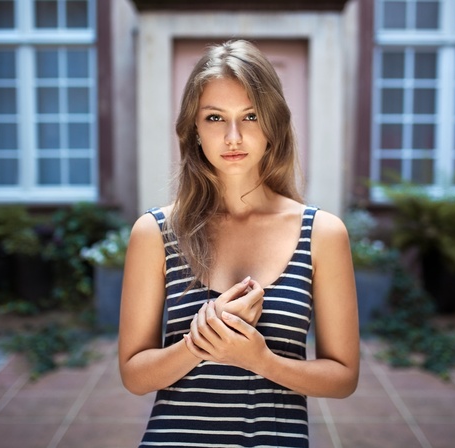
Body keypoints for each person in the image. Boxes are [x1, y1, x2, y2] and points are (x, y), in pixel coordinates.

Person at [118, 39, 359, 447]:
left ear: (273, 126)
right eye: (214, 118)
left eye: (249, 116)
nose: (233, 136)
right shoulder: (155, 233)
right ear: (193, 130)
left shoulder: (322, 233)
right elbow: (135, 375)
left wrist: (258, 360)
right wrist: (202, 341)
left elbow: (343, 378)